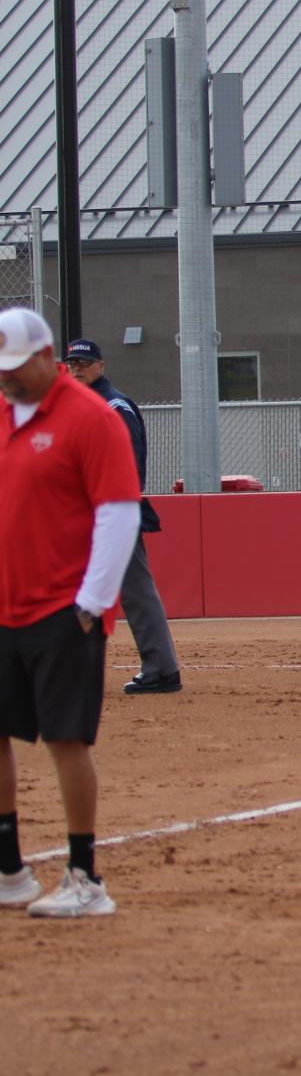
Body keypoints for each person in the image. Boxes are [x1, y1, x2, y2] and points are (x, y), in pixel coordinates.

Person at [0, 307, 140, 917]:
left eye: (15, 366)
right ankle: (9, 870)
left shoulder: (91, 417)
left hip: (64, 605)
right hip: (4, 603)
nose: (6, 378)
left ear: (47, 355)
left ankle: (85, 877)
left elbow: (118, 510)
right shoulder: (3, 415)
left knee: (65, 738)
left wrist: (91, 600)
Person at [61, 339, 181, 695]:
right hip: (83, 514)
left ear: (101, 365)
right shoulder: (79, 406)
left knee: (135, 591)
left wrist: (116, 511)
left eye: (84, 362)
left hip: (112, 513)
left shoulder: (113, 406)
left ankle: (162, 670)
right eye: (71, 363)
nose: (76, 368)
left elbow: (128, 465)